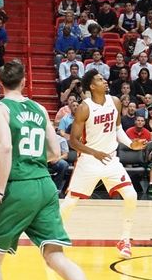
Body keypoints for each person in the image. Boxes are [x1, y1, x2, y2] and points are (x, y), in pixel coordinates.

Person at [0, 61, 104, 280]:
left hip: (19, 186)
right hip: (46, 186)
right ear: (24, 81)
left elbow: (4, 147)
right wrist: (34, 157)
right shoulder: (38, 108)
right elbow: (56, 151)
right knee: (54, 254)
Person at [60, 69, 144, 258]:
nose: (104, 81)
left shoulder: (114, 101)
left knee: (131, 195)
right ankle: (54, 234)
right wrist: (94, 152)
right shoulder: (84, 107)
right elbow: (74, 141)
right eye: (99, 79)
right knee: (70, 202)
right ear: (91, 86)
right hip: (89, 160)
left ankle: (124, 239)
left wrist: (131, 143)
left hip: (110, 159)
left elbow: (118, 129)